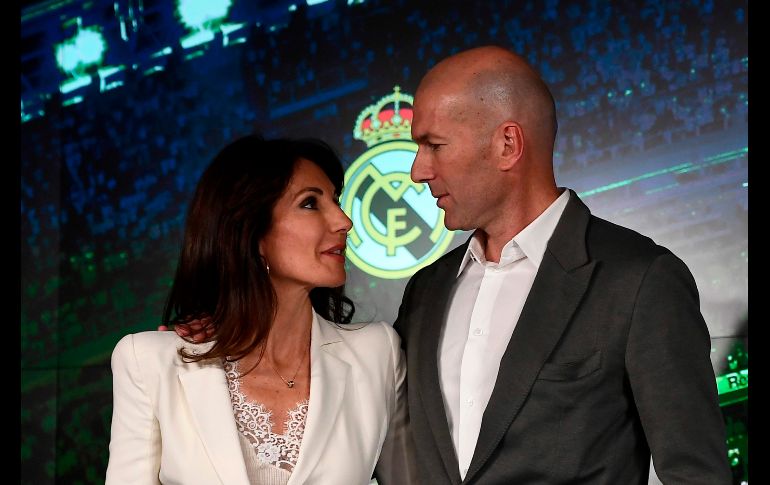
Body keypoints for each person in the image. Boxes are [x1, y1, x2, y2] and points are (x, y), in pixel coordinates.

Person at [393, 45, 732, 484]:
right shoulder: (426, 289)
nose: (419, 171)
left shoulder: (639, 279)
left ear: (508, 144)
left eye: (434, 145)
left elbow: (697, 476)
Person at [105, 134, 416, 485]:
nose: (343, 220)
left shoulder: (378, 353)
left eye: (335, 200)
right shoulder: (148, 361)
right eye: (311, 204)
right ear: (252, 233)